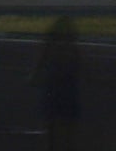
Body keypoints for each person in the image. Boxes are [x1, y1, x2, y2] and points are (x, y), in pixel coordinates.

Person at [36, 17, 83, 151]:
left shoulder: (49, 48)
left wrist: (34, 77)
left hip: (54, 90)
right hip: (68, 91)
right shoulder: (73, 49)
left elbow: (40, 64)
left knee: (51, 125)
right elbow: (83, 68)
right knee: (68, 127)